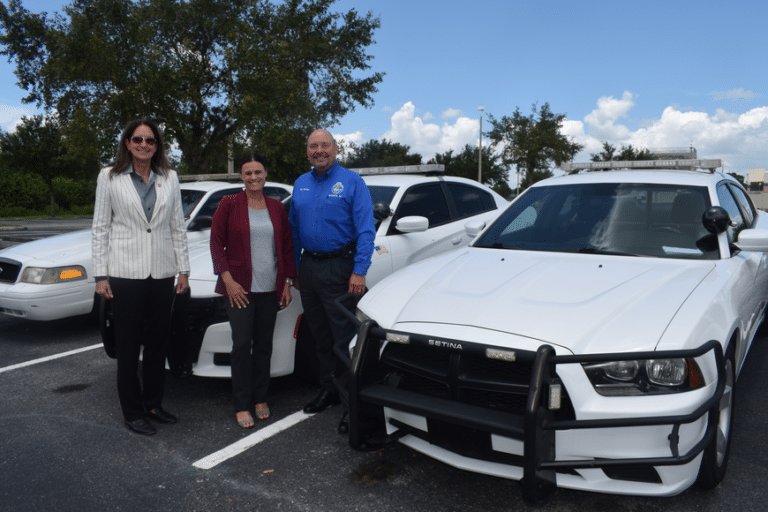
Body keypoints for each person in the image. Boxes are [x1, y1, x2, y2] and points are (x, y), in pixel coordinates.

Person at [92, 119, 191, 435]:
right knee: (128, 344)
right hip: (125, 274)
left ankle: (153, 404)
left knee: (158, 344)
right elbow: (100, 228)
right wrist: (100, 274)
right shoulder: (109, 177)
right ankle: (132, 412)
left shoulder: (169, 178)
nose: (144, 145)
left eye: (150, 140)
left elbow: (177, 226)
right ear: (127, 143)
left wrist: (183, 270)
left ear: (157, 145)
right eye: (138, 139)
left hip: (161, 272)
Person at [289, 129, 375, 434]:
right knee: (321, 336)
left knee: (345, 339)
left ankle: (353, 403)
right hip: (310, 268)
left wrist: (360, 270)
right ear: (308, 151)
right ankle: (329, 389)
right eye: (313, 146)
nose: (319, 150)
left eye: (325, 145)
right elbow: (294, 230)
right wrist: (298, 269)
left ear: (335, 149)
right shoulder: (300, 183)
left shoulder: (352, 182)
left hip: (341, 267)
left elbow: (366, 229)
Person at [210, 153, 296, 429]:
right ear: (241, 177)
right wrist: (228, 280)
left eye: (258, 172)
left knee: (263, 346)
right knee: (241, 345)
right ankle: (241, 403)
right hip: (239, 290)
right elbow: (216, 244)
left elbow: (286, 247)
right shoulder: (229, 204)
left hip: (269, 288)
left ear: (265, 173)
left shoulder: (276, 208)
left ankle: (260, 398)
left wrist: (286, 282)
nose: (254, 177)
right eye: (248, 173)